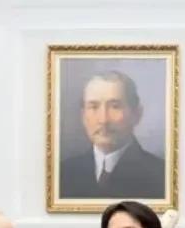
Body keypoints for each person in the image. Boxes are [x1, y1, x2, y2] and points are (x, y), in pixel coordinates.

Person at [59, 70, 166, 200]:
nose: (103, 120)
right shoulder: (63, 173)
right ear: (83, 115)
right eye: (93, 107)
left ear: (136, 114)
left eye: (115, 107)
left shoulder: (161, 175)